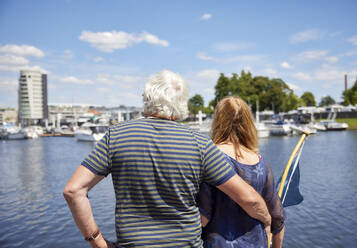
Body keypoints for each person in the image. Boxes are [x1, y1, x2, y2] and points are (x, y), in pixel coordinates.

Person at [63, 70, 271, 248]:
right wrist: (267, 217)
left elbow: (73, 191)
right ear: (182, 103)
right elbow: (247, 198)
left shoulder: (116, 135)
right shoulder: (199, 143)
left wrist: (96, 240)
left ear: (147, 97)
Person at [197, 96, 285, 248]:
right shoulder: (261, 162)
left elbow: (202, 218)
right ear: (249, 123)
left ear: (217, 121)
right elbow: (277, 218)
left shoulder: (210, 157)